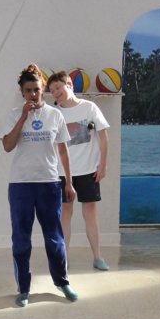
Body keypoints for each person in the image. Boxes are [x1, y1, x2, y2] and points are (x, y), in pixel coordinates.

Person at [0, 63, 78, 307]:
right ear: (22, 92)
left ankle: (62, 282)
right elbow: (7, 146)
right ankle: (23, 288)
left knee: (54, 238)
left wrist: (69, 183)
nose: (33, 94)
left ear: (43, 88)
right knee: (21, 239)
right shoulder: (15, 114)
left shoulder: (55, 115)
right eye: (28, 91)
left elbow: (63, 151)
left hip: (49, 184)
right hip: (21, 185)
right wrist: (24, 116)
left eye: (36, 89)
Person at [47, 70, 111, 271]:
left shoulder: (89, 107)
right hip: (62, 173)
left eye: (58, 87)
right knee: (65, 213)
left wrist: (103, 164)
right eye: (52, 91)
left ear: (69, 85)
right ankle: (63, 259)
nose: (56, 92)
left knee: (90, 212)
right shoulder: (54, 113)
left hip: (88, 171)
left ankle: (98, 257)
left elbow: (103, 137)